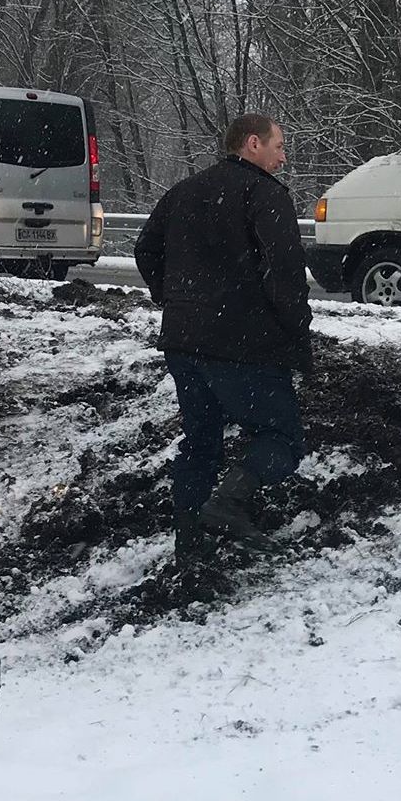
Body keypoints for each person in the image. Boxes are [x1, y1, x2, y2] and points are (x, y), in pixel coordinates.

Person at [135, 114, 312, 562]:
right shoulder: (266, 195)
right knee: (282, 438)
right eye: (278, 146)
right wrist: (296, 330)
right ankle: (228, 506)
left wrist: (172, 297)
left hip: (183, 341)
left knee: (200, 441)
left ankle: (190, 546)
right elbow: (286, 276)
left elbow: (145, 248)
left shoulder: (184, 190)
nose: (283, 156)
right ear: (252, 143)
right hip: (242, 343)